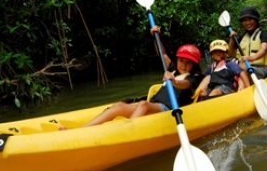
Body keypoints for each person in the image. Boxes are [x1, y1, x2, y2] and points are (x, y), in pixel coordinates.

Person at [60, 26, 203, 129]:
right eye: (181, 61)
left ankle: (125, 131)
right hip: (153, 106)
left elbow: (184, 85)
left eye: (188, 63)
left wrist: (173, 81)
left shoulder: (193, 78)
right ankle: (80, 130)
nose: (183, 65)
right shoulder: (172, 69)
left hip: (168, 110)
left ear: (194, 65)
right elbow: (162, 54)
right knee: (118, 106)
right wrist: (155, 36)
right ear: (177, 60)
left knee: (143, 104)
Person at [227, 6, 267, 79]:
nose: (247, 23)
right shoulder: (242, 37)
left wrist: (252, 58)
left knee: (242, 68)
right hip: (245, 68)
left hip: (263, 69)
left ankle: (243, 88)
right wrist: (232, 39)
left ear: (256, 20)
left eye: (250, 19)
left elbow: (263, 49)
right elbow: (230, 53)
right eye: (244, 20)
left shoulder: (264, 34)